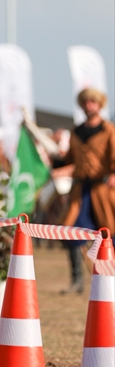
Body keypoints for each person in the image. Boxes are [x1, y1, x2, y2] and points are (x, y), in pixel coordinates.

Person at [54, 88, 115, 292]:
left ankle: (109, 278)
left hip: (102, 190)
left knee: (109, 233)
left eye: (93, 102)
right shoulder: (76, 131)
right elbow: (69, 159)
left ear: (99, 105)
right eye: (86, 102)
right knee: (71, 231)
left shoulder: (109, 130)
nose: (89, 106)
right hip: (80, 191)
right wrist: (56, 155)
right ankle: (77, 280)